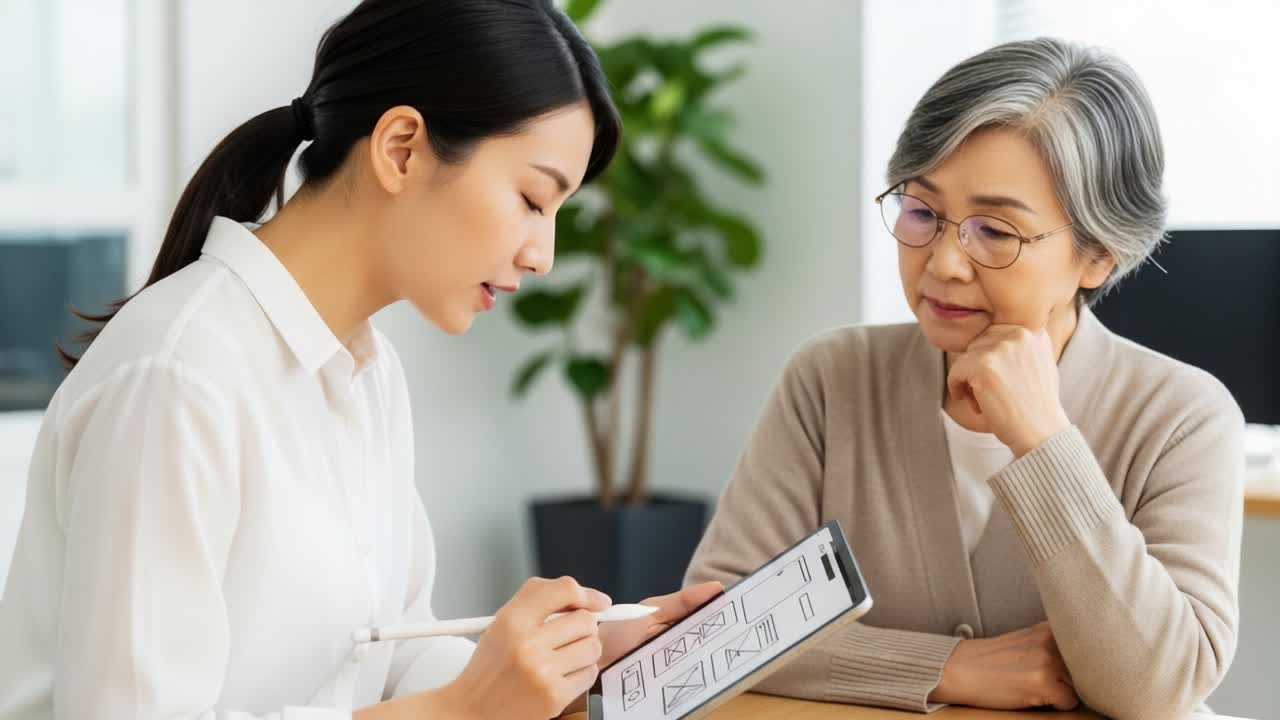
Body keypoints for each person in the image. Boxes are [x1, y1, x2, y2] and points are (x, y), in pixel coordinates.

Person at [0, 1, 720, 718]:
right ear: (401, 148)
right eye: (533, 199)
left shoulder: (368, 370)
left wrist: (576, 663)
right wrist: (464, 710)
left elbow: (384, 654)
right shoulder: (179, 376)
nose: (543, 255)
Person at [686, 37, 1243, 720]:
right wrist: (950, 667)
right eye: (922, 213)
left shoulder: (1183, 415)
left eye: (996, 231)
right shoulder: (832, 379)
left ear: (1098, 253)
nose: (944, 263)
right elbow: (717, 635)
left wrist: (1044, 441)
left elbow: (1159, 687)